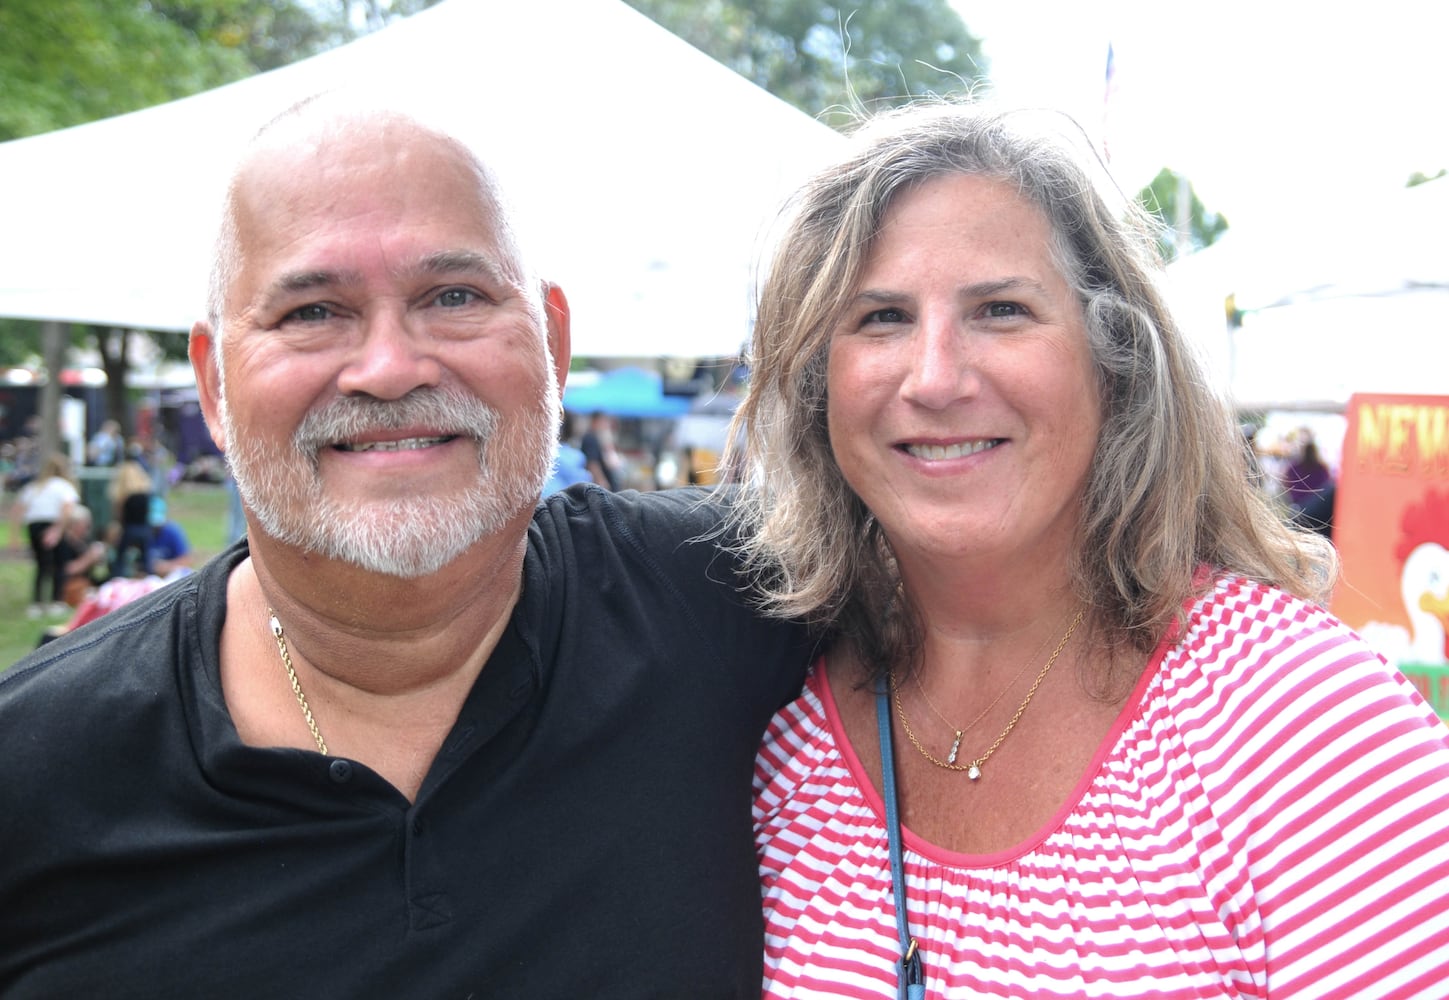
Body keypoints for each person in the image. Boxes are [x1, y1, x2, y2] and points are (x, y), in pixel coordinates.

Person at [0, 93, 811, 997]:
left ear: (552, 344)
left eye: (453, 296)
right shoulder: (34, 769)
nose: (389, 369)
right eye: (311, 311)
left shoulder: (738, 594)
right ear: (215, 386)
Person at [728, 102, 1449, 997]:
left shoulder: (1305, 729)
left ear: (1116, 361)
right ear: (815, 385)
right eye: (880, 318)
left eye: (1000, 309)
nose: (936, 377)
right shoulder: (760, 714)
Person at [8, 451, 79, 619]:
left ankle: (37, 604)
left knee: (41, 565)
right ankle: (56, 601)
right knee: (59, 564)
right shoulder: (64, 486)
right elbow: (67, 509)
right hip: (53, 524)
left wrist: (15, 536)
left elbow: (17, 510)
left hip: (34, 526)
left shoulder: (34, 487)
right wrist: (57, 530)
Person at [580, 408, 622, 489]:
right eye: (603, 421)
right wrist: (600, 480)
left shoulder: (598, 437)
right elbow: (592, 462)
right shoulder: (590, 438)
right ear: (595, 421)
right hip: (600, 485)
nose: (605, 425)